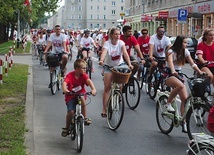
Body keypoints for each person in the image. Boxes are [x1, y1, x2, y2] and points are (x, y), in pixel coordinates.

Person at [164, 35, 204, 132]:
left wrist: (199, 71)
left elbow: (192, 63)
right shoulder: (171, 51)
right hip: (169, 74)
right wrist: (173, 71)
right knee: (180, 85)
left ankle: (184, 121)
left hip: (179, 74)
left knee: (185, 100)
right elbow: (170, 62)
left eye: (187, 42)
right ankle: (168, 103)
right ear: (179, 43)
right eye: (185, 42)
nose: (186, 44)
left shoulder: (185, 52)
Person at [98, 27, 133, 117]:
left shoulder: (121, 43)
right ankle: (104, 109)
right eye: (115, 34)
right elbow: (104, 52)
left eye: (118, 34)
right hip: (108, 66)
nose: (117, 36)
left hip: (119, 66)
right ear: (111, 35)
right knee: (107, 88)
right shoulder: (107, 44)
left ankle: (117, 95)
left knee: (120, 85)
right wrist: (101, 60)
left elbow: (125, 53)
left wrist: (129, 64)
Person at [61, 59, 97, 137]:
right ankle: (67, 128)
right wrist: (65, 89)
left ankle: (84, 117)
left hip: (80, 94)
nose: (85, 69)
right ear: (77, 69)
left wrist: (93, 89)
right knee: (71, 112)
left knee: (82, 98)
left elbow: (89, 81)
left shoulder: (84, 76)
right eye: (83, 68)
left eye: (85, 68)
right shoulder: (70, 75)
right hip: (70, 96)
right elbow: (64, 83)